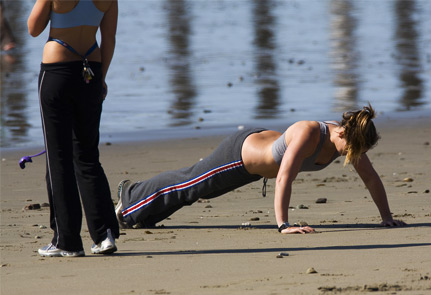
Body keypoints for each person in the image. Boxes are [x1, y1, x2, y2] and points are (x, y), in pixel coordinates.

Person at [116, 105, 406, 233]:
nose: (355, 159)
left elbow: (370, 177)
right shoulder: (310, 134)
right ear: (343, 135)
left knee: (197, 193)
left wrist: (387, 218)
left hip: (254, 167)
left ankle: (144, 216)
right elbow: (284, 178)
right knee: (191, 183)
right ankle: (128, 201)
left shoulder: (348, 139)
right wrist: (283, 225)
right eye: (355, 152)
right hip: (240, 154)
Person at [27, 0, 119, 257]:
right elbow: (109, 38)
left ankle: (67, 240)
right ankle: (104, 235)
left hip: (57, 71)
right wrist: (101, 78)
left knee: (58, 158)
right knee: (88, 155)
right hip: (91, 70)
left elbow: (33, 29)